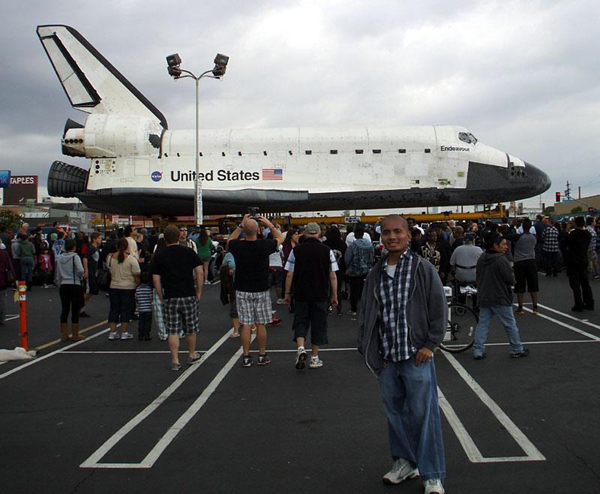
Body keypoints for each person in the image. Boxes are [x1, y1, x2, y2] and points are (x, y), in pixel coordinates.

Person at [357, 215, 446, 494]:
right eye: (386, 233)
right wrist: (367, 348)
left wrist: (430, 344)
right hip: (387, 358)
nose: (391, 237)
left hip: (415, 355)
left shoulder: (422, 268)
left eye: (397, 232)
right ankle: (405, 461)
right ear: (380, 237)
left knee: (423, 416)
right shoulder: (375, 273)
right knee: (394, 415)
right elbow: (367, 314)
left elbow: (438, 308)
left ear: (408, 235)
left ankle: (431, 474)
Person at [227, 214, 283, 368]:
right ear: (258, 230)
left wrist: (240, 225)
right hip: (261, 288)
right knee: (261, 324)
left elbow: (229, 240)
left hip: (243, 288)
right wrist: (269, 224)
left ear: (244, 230)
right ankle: (262, 354)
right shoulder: (264, 245)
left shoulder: (237, 246)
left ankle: (246, 356)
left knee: (245, 324)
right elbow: (280, 238)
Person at [284, 222, 338, 370]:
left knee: (301, 321)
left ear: (305, 234)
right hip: (320, 293)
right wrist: (334, 295)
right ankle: (315, 358)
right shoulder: (327, 251)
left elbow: (289, 273)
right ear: (319, 234)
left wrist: (287, 293)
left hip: (301, 293)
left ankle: (301, 347)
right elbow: (332, 275)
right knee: (318, 324)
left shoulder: (297, 250)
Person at [152, 225, 204, 371]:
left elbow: (156, 279)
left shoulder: (160, 256)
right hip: (188, 293)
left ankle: (175, 360)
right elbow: (199, 272)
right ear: (178, 236)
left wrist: (161, 296)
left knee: (173, 329)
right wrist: (199, 291)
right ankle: (192, 354)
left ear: (165, 238)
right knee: (191, 328)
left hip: (170, 295)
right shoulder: (188, 252)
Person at [473, 234, 529, 359]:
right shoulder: (501, 259)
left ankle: (478, 349)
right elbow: (510, 279)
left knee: (482, 324)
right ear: (495, 245)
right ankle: (516, 348)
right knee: (510, 324)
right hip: (500, 296)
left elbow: (477, 275)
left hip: (485, 295)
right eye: (503, 244)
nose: (506, 247)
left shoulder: (482, 258)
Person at [107, 238, 141, 340]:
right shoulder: (131, 259)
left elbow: (109, 269)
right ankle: (124, 332)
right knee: (125, 309)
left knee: (114, 309)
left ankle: (112, 332)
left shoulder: (110, 257)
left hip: (114, 286)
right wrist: (137, 283)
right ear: (127, 247)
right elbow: (136, 273)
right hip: (128, 287)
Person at [561, 216, 594, 311]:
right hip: (583, 259)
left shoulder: (573, 234)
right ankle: (589, 303)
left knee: (575, 284)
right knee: (585, 283)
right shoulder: (587, 234)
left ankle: (579, 304)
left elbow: (563, 243)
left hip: (573, 260)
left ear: (575, 223)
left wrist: (568, 231)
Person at [56, 238, 86, 342]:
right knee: (75, 309)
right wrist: (80, 276)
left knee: (65, 309)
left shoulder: (59, 258)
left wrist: (59, 283)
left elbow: (58, 273)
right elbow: (81, 270)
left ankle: (64, 334)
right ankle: (75, 334)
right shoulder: (75, 257)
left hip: (64, 284)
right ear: (74, 247)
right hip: (74, 284)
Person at [509, 218, 539, 315]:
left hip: (519, 261)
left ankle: (520, 307)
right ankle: (535, 306)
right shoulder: (534, 237)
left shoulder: (517, 237)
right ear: (530, 227)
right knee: (533, 284)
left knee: (520, 284)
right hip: (531, 260)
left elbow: (507, 235)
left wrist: (512, 225)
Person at [344, 224, 374, 316]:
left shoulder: (353, 246)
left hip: (355, 271)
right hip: (367, 270)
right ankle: (366, 309)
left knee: (354, 291)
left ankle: (354, 309)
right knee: (366, 291)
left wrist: (348, 268)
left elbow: (347, 259)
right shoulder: (369, 245)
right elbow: (372, 257)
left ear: (356, 233)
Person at [81, 232, 102, 317]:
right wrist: (86, 270)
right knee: (88, 291)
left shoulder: (95, 249)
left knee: (92, 291)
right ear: (94, 239)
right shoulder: (92, 249)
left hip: (93, 272)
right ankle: (78, 306)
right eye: (99, 238)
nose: (100, 240)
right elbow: (85, 258)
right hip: (90, 273)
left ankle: (81, 310)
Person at [135, 271, 154, 341]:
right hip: (148, 309)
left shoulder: (138, 289)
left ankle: (140, 335)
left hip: (141, 309)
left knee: (141, 323)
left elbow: (136, 298)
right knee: (148, 323)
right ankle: (147, 335)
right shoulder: (149, 289)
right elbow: (151, 298)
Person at [0, 245, 16, 325]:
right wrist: (14, 277)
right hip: (3, 279)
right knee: (2, 299)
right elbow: (10, 266)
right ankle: (2, 319)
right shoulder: (4, 254)